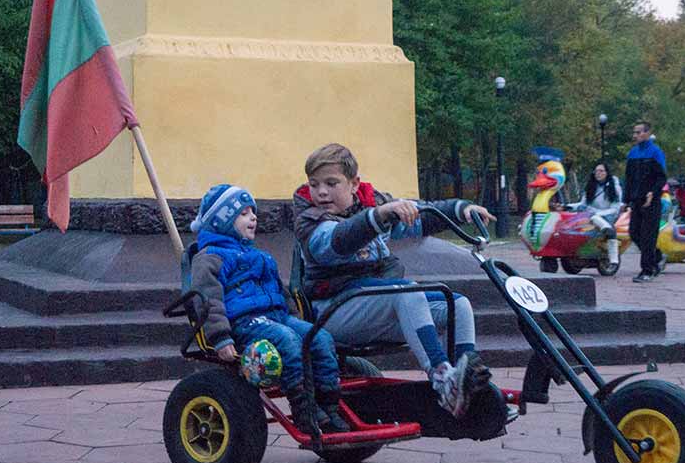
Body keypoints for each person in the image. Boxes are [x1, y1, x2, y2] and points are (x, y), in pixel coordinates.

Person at [292, 143, 497, 419]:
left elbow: (421, 216)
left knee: (457, 304)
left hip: (372, 304)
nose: (322, 192)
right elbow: (339, 240)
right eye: (314, 184)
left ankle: (467, 379)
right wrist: (378, 215)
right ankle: (443, 380)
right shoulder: (311, 220)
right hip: (331, 312)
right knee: (406, 292)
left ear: (354, 184)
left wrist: (462, 210)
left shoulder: (373, 205)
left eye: (331, 183)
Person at [189, 184, 349, 434]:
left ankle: (329, 406)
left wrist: (297, 321)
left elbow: (281, 294)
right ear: (223, 221)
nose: (253, 217)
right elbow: (207, 299)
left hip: (276, 317)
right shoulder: (210, 258)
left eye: (253, 212)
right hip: (244, 323)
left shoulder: (261, 257)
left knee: (319, 337)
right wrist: (220, 337)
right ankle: (304, 409)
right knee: (288, 341)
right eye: (243, 213)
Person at [624, 121, 667, 282]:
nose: (635, 135)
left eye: (638, 132)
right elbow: (628, 178)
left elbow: (661, 177)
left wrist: (653, 193)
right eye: (634, 133)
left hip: (651, 201)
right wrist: (626, 200)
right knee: (634, 233)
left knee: (648, 236)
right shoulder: (633, 153)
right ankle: (657, 256)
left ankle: (647, 271)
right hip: (636, 201)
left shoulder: (656, 152)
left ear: (647, 133)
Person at [567, 163, 623, 265]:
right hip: (591, 216)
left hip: (607, 216)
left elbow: (615, 208)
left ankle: (614, 260)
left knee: (598, 220)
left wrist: (598, 213)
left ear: (607, 173)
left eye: (601, 171)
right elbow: (583, 204)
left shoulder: (614, 188)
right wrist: (566, 206)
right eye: (596, 171)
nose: (598, 173)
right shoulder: (590, 186)